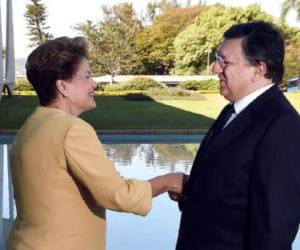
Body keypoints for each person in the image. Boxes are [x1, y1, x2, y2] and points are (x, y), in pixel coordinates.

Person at [7, 36, 184, 250]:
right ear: (63, 86)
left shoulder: (29, 127)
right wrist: (169, 180)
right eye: (87, 76)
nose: (94, 83)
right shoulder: (72, 130)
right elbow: (118, 194)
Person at [173, 21, 300, 250]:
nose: (215, 68)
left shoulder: (282, 127)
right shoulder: (233, 110)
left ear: (258, 69)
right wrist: (191, 190)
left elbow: (274, 229)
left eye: (225, 62)